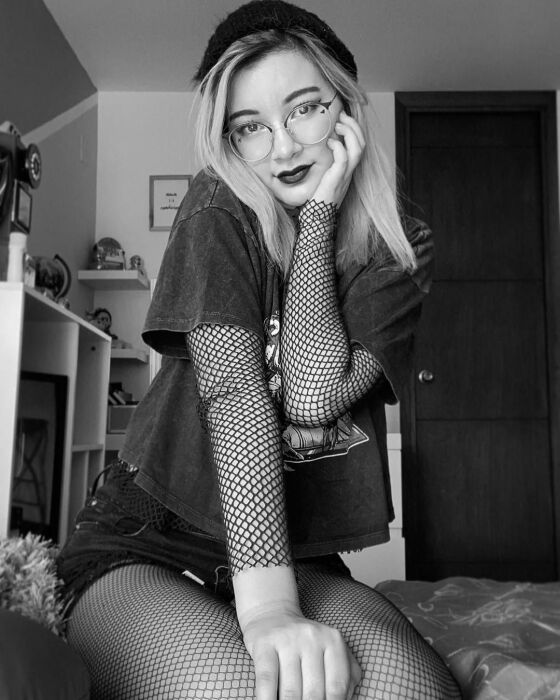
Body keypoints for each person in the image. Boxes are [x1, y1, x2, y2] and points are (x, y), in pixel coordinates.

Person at [57, 2, 461, 698]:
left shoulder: (399, 245)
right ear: (229, 140)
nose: (282, 148)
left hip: (299, 551)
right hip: (147, 538)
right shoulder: (217, 203)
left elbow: (312, 394)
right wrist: (270, 612)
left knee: (407, 689)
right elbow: (235, 392)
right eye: (250, 127)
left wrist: (318, 218)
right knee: (236, 688)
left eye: (305, 109)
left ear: (346, 109)